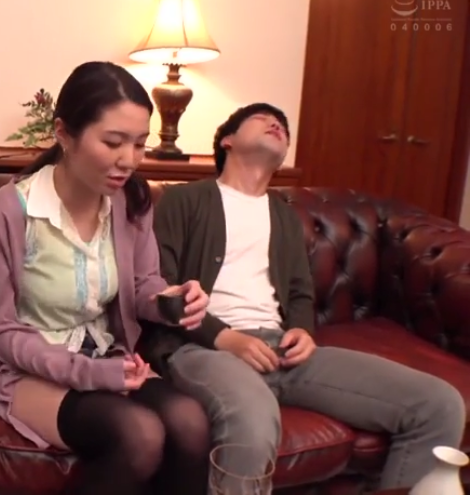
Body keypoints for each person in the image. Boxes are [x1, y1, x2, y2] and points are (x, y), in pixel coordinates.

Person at [145, 102, 467, 490]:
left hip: (281, 350)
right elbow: (161, 285)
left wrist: (302, 330)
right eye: (262, 119)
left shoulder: (283, 215)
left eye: (282, 124)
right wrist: (225, 337)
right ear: (227, 140)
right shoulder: (185, 199)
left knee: (438, 404)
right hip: (202, 348)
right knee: (253, 418)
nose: (276, 124)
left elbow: (300, 291)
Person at [0, 61, 212, 495]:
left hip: (104, 357)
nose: (129, 160)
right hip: (26, 368)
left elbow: (143, 285)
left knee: (190, 422)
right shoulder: (10, 210)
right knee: (138, 434)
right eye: (113, 142)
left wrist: (172, 300)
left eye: (139, 144)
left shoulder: (131, 201)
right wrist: (89, 373)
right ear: (64, 134)